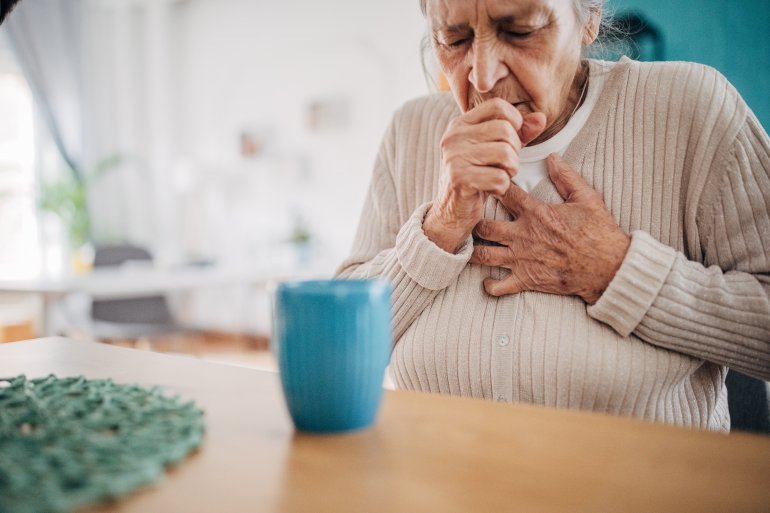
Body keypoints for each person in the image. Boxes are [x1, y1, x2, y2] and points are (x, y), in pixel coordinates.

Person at [336, 0, 770, 431]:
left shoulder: (694, 110)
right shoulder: (410, 131)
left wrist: (613, 269)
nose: (483, 75)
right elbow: (336, 345)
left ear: (590, 17)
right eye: (455, 39)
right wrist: (439, 228)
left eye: (520, 31)